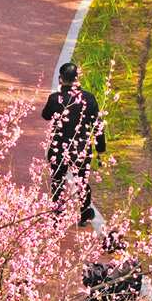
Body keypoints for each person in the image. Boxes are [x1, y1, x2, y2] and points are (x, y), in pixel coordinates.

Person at [41, 62, 106, 226]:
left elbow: (46, 115)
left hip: (59, 148)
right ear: (78, 79)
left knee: (58, 181)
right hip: (81, 148)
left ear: (60, 79)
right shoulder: (89, 99)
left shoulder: (55, 98)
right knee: (82, 181)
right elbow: (97, 126)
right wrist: (100, 148)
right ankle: (85, 212)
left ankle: (57, 215)